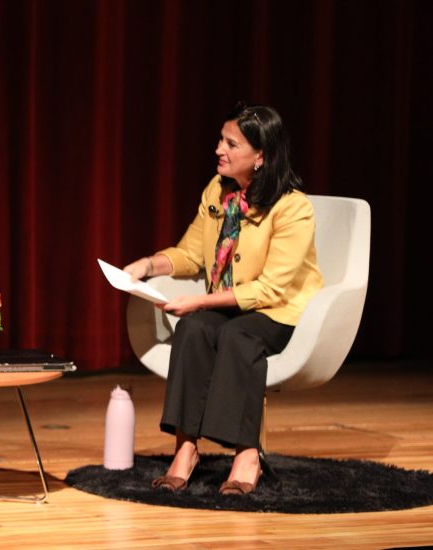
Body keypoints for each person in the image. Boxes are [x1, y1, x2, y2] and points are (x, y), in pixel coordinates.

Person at [122, 102, 322, 496]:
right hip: (229, 304)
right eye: (220, 139)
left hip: (276, 311)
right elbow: (192, 254)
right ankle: (185, 449)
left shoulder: (293, 207)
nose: (219, 149)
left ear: (261, 156)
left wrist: (197, 302)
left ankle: (246, 455)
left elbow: (270, 290)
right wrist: (147, 265)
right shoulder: (218, 191)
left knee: (237, 337)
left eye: (231, 143)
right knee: (194, 329)